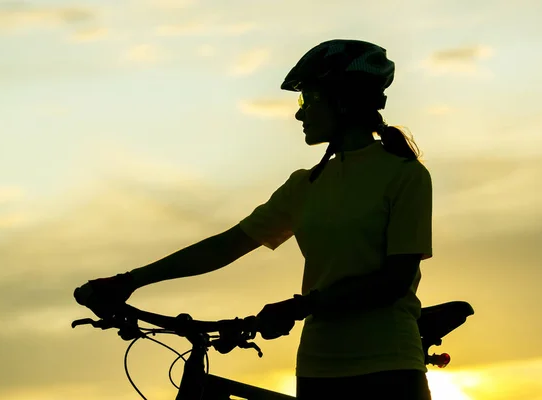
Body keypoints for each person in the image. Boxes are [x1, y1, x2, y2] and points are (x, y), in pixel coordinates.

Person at [74, 39, 434, 400]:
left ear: (342, 100)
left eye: (307, 100)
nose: (299, 113)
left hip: (389, 365)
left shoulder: (404, 176)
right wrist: (128, 281)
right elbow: (226, 245)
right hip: (319, 365)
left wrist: (301, 305)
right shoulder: (306, 185)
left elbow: (394, 280)